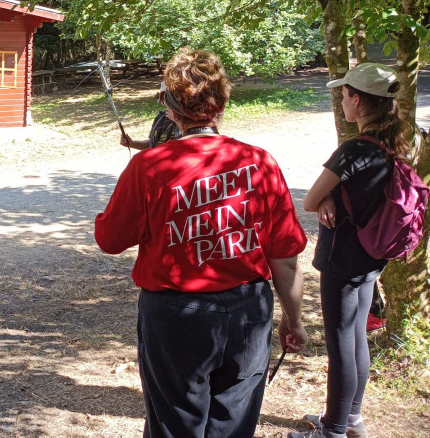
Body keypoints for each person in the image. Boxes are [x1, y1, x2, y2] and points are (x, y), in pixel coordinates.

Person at [95, 49, 309, 438]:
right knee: (234, 422)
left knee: (176, 424)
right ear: (222, 103)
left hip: (176, 315)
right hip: (249, 310)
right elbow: (286, 258)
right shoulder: (259, 162)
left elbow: (110, 239)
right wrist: (293, 319)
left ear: (170, 109)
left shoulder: (149, 166)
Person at [293, 63, 408, 438]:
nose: (341, 100)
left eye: (344, 95)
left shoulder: (354, 149)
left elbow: (309, 201)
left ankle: (333, 429)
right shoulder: (393, 144)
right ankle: (351, 418)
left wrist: (324, 197)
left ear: (357, 100)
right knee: (356, 335)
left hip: (343, 257)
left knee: (342, 341)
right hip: (372, 256)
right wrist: (330, 197)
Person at [119, 82, 181, 150]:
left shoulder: (188, 120)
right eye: (164, 97)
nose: (167, 101)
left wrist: (177, 120)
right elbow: (151, 143)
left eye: (171, 98)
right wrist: (132, 144)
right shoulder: (161, 118)